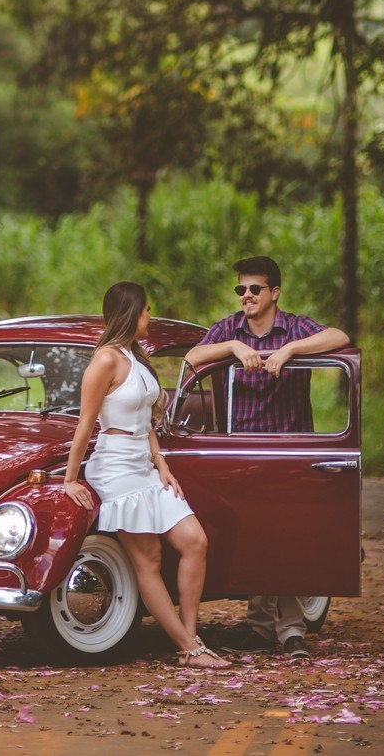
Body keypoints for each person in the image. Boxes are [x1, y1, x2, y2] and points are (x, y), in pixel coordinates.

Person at [186, 255, 350, 659]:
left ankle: (291, 630)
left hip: (288, 451)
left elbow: (340, 338)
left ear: (274, 293)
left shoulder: (295, 326)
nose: (246, 296)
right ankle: (260, 627)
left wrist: (290, 350)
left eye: (254, 289)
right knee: (253, 538)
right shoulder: (229, 328)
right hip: (242, 452)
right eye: (240, 289)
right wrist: (232, 347)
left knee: (285, 540)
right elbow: (191, 358)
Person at [63, 281, 229, 669]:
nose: (149, 317)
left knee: (194, 541)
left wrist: (163, 466)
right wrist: (72, 478)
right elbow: (85, 424)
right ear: (130, 313)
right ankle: (189, 649)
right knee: (149, 561)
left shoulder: (134, 356)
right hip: (116, 467)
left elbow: (147, 422)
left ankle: (191, 638)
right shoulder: (105, 360)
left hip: (144, 466)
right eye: (146, 310)